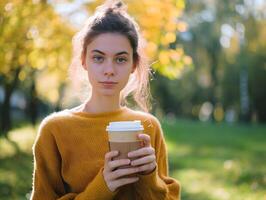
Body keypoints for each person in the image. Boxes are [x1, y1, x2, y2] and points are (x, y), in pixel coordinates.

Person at [30, 0, 180, 199]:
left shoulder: (148, 127)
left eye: (120, 59)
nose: (109, 70)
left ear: (134, 64)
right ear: (84, 61)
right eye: (98, 58)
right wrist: (103, 187)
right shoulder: (55, 130)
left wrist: (149, 177)